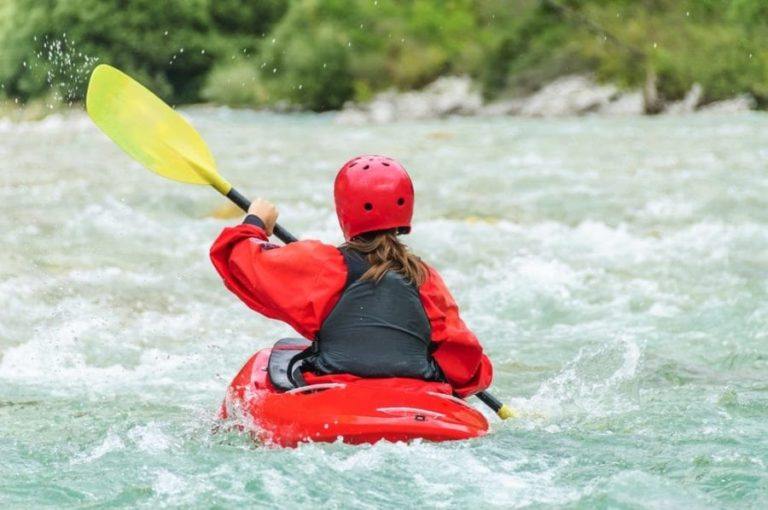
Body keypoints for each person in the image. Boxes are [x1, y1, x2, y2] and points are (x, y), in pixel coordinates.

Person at [210, 155, 492, 398]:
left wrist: (256, 222)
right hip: (412, 402)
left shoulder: (321, 265)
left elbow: (237, 256)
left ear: (344, 209)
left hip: (334, 397)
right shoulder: (426, 279)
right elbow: (468, 365)